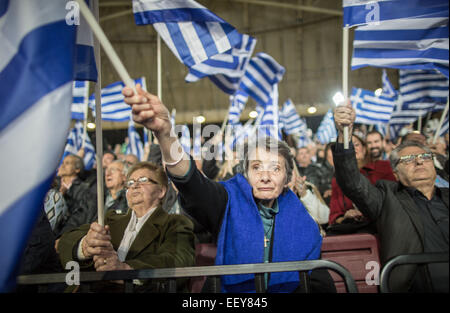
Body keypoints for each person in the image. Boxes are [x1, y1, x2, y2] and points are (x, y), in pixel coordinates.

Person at [123, 85, 333, 293]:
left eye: (275, 168)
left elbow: (318, 281)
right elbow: (192, 183)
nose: (265, 177)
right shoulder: (229, 199)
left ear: (287, 177)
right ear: (245, 174)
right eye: (257, 167)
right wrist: (165, 133)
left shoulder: (303, 219)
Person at [333, 103, 449, 292]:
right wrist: (344, 134)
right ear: (395, 172)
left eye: (425, 157)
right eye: (408, 160)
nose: (419, 161)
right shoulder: (387, 198)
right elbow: (351, 181)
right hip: (415, 286)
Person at [58, 162, 196, 292]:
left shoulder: (175, 223)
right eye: (130, 183)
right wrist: (85, 246)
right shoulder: (111, 219)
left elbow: (177, 260)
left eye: (143, 180)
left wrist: (127, 269)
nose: (134, 186)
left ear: (161, 191)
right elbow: (65, 240)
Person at [327, 134, 396, 235]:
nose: (351, 149)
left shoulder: (384, 167)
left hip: (383, 229)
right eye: (347, 146)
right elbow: (333, 217)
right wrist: (346, 216)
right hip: (352, 233)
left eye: (355, 144)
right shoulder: (338, 179)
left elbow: (393, 200)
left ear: (364, 149)